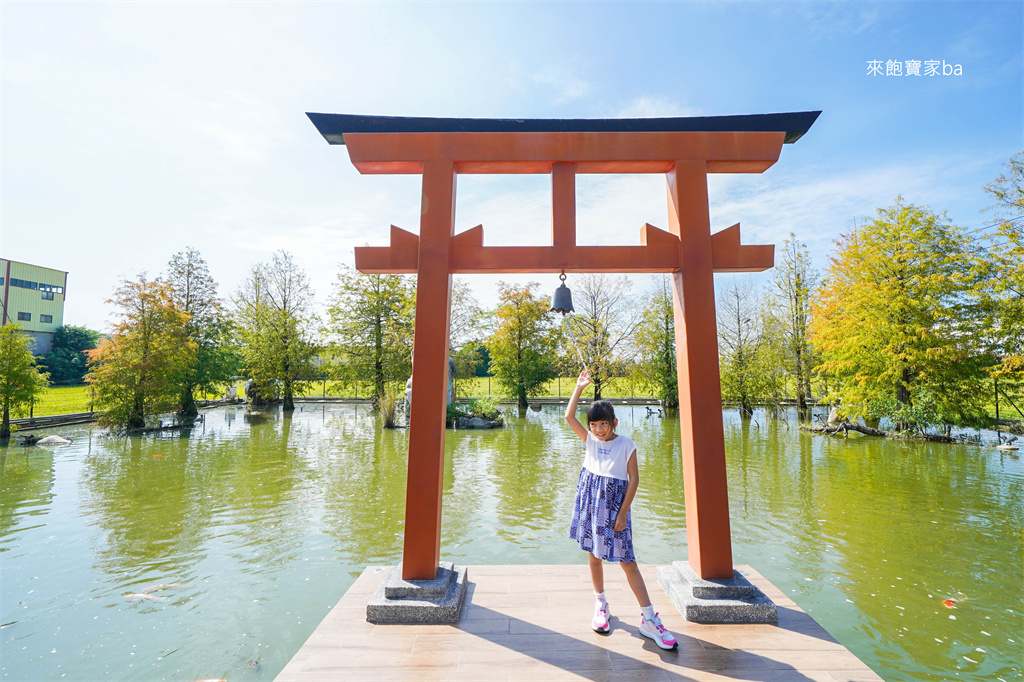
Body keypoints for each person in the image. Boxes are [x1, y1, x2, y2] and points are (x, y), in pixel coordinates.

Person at [565, 368, 678, 650]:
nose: (598, 429)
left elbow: (634, 479)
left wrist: (623, 513)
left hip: (615, 507)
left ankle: (649, 618)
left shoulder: (626, 444)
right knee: (593, 555)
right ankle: (600, 602)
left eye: (603, 423)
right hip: (591, 503)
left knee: (628, 561)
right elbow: (568, 417)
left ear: (613, 422)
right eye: (593, 424)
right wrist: (579, 387)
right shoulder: (589, 441)